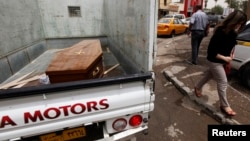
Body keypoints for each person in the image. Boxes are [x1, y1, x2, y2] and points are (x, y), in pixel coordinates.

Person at [194, 10, 247, 116]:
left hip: (223, 61)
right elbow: (212, 52)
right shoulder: (220, 31)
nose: (239, 25)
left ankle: (197, 87)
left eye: (241, 23)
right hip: (214, 61)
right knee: (223, 82)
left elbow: (232, 45)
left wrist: (231, 55)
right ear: (233, 20)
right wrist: (225, 58)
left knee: (209, 75)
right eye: (238, 22)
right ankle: (224, 105)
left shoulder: (233, 32)